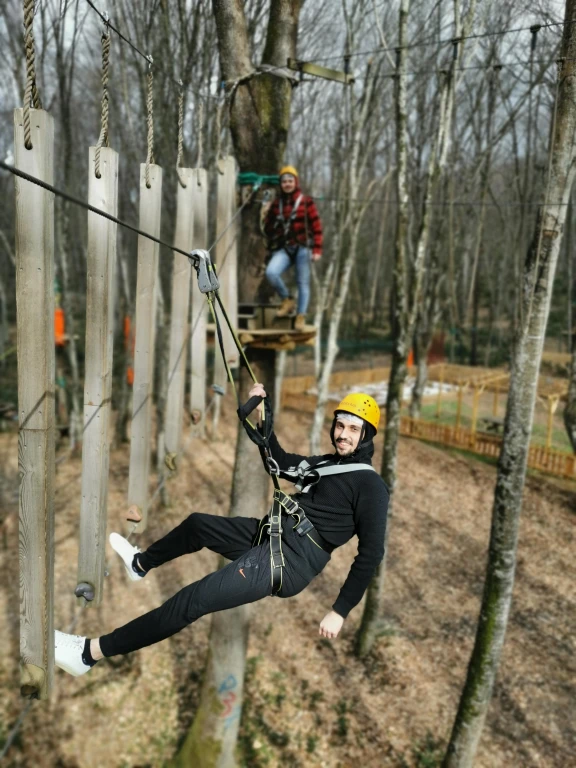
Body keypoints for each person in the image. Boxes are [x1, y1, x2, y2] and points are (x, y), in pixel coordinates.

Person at [54, 390, 388, 677]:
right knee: (199, 524)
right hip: (270, 536)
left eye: (353, 429)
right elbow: (280, 461)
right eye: (340, 425)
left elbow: (371, 554)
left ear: (367, 435)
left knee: (191, 600)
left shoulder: (370, 486)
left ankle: (87, 654)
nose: (343, 434)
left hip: (285, 562)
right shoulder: (327, 465)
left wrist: (340, 610)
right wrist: (261, 413)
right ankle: (140, 564)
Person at [263, 166, 323, 331]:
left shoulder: (306, 201)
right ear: (280, 184)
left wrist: (317, 249)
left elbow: (316, 226)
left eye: (290, 181)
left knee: (302, 281)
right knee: (271, 272)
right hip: (286, 247)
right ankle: (287, 299)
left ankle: (301, 316)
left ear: (295, 182)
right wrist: (267, 213)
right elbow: (269, 230)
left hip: (303, 247)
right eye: (284, 181)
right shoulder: (277, 204)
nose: (287, 184)